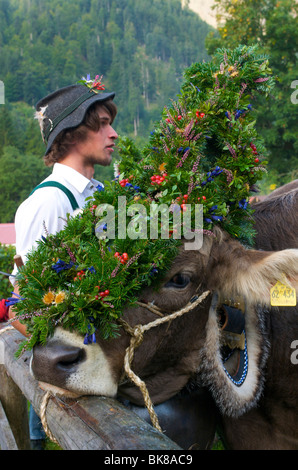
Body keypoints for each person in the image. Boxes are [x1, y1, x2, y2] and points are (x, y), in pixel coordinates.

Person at [8, 77, 118, 449]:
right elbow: (28, 306)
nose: (114, 133)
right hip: (70, 374)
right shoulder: (47, 203)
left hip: (111, 358)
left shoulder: (102, 195)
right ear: (70, 134)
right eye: (101, 124)